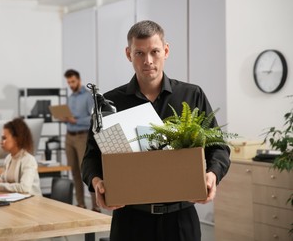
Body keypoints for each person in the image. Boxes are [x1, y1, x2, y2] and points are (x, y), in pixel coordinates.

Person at [82, 20, 231, 240]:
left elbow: (218, 148)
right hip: (130, 221)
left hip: (181, 222)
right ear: (128, 54)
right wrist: (97, 181)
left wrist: (212, 175)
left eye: (154, 51)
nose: (148, 61)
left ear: (166, 50)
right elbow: (91, 157)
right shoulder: (109, 103)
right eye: (139, 53)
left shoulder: (192, 95)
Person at [60, 69, 99, 212]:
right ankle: (81, 204)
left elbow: (92, 118)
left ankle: (96, 206)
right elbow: (69, 119)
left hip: (83, 137)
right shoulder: (70, 98)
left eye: (73, 81)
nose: (71, 84)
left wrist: (75, 120)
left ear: (79, 80)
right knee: (74, 171)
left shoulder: (88, 96)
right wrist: (65, 119)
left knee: (87, 171)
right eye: (68, 82)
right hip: (69, 137)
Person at [0, 118, 42, 196]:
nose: (0, 142)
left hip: (32, 203)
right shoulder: (8, 158)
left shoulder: (28, 160)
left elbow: (24, 188)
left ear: (16, 139)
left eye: (4, 138)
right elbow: (5, 179)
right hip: (17, 202)